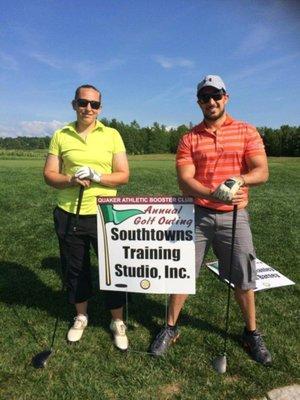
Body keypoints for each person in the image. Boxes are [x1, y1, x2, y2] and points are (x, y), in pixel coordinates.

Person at [150, 75, 272, 365]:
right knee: (182, 273)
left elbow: (261, 171)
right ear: (199, 102)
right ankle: (170, 327)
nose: (211, 102)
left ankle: (251, 332)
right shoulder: (189, 138)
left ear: (226, 97)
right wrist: (214, 194)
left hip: (234, 216)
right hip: (198, 214)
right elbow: (185, 181)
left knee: (244, 276)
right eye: (205, 98)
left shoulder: (246, 131)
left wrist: (240, 180)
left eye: (216, 96)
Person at [43, 84, 130, 350]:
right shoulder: (61, 134)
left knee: (112, 269)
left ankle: (117, 321)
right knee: (75, 268)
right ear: (74, 104)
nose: (88, 108)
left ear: (100, 108)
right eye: (83, 103)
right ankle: (81, 316)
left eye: (94, 104)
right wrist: (70, 178)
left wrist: (97, 176)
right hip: (70, 213)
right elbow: (49, 175)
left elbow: (124, 175)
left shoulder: (112, 134)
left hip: (106, 214)